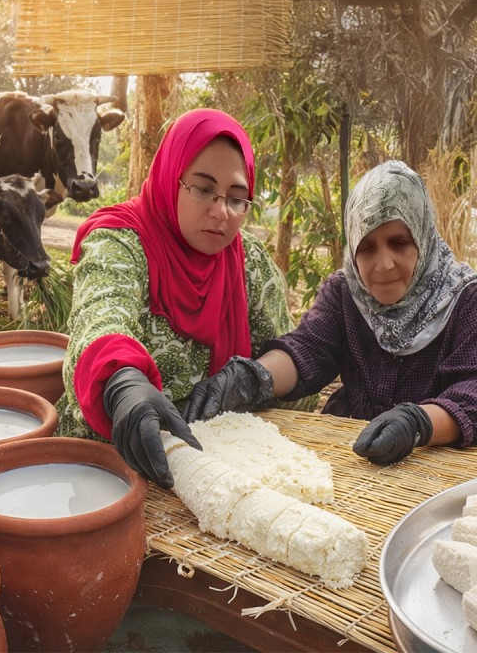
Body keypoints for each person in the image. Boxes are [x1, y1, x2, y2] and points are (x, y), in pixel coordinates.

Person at [185, 160, 477, 465]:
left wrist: (419, 423)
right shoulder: (346, 292)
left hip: (445, 465)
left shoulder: (470, 298)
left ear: (423, 236)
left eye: (399, 243)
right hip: (361, 456)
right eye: (367, 247)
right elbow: (309, 349)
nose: (383, 264)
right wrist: (251, 377)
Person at [57, 108, 302, 488]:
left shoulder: (247, 262)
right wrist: (123, 382)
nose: (221, 212)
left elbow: (296, 362)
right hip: (111, 474)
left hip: (215, 481)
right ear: (171, 179)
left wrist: (255, 378)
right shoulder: (120, 243)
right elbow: (100, 314)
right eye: (203, 189)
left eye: (237, 198)